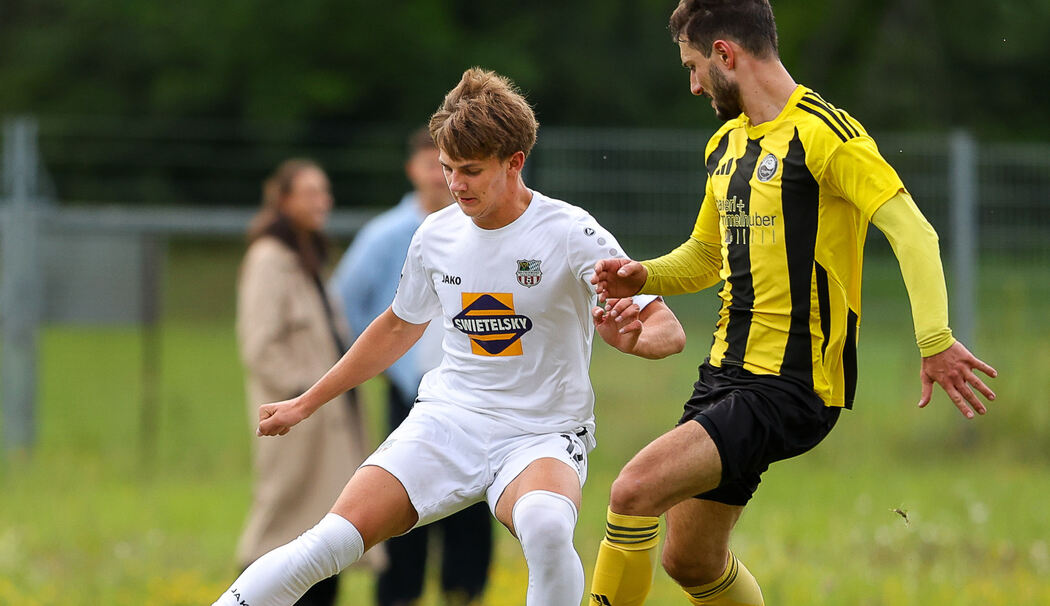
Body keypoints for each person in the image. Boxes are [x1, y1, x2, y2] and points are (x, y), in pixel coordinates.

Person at [212, 67, 687, 606]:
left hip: (542, 434)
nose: (454, 184)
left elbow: (666, 330)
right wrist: (306, 402)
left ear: (515, 162)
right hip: (448, 420)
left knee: (548, 526)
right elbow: (396, 325)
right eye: (446, 168)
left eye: (470, 170)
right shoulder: (435, 235)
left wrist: (630, 340)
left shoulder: (571, 231)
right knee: (331, 541)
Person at [586, 2, 999, 605]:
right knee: (691, 559)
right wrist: (641, 275)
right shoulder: (726, 144)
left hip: (791, 383)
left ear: (726, 54)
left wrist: (935, 340)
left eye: (696, 66)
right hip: (725, 375)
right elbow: (706, 255)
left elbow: (915, 233)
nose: (694, 83)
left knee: (630, 492)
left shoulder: (828, 135)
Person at [330, 127, 494, 606]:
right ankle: (399, 594)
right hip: (412, 390)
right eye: (435, 165)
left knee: (472, 497)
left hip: (478, 389)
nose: (443, 178)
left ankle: (464, 591)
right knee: (404, 490)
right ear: (414, 170)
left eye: (457, 166)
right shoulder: (386, 236)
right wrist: (383, 361)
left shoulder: (484, 226)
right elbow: (343, 302)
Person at [235, 159, 384, 606]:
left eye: (326, 192)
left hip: (326, 423)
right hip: (294, 425)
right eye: (311, 193)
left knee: (325, 533)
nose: (324, 202)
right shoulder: (269, 259)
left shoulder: (307, 256)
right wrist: (304, 396)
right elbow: (260, 347)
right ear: (283, 200)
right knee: (280, 528)